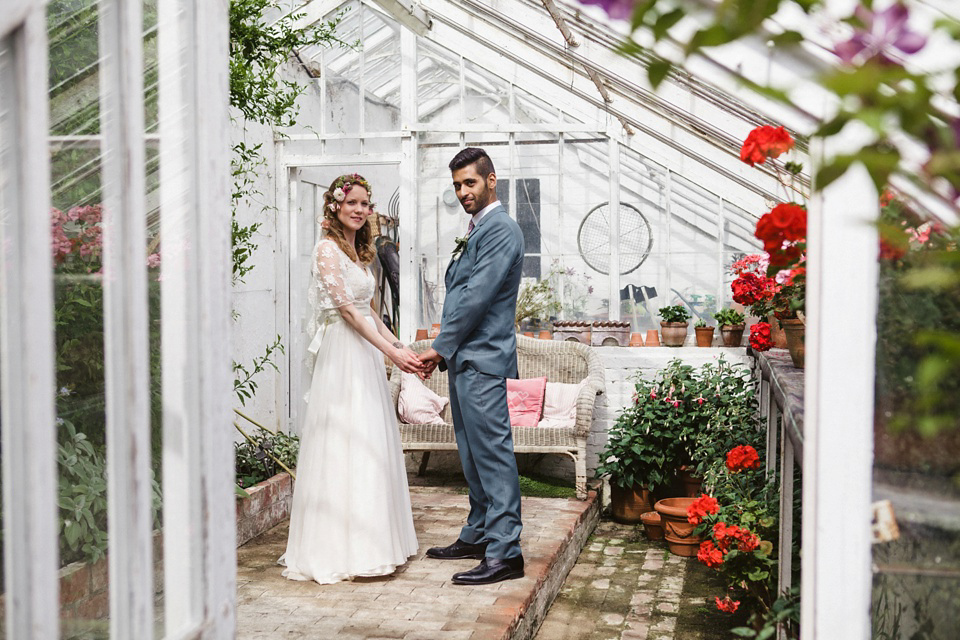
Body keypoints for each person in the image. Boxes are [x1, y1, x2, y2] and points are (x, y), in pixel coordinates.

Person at [279, 173, 421, 584]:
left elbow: (371, 310)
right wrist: (389, 351)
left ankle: (377, 542)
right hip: (343, 354)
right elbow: (346, 311)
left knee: (372, 439)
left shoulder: (359, 252)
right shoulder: (326, 250)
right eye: (352, 203)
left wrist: (400, 346)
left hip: (365, 353)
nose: (360, 210)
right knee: (345, 440)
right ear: (335, 206)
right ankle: (341, 549)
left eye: (365, 204)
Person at [418, 148, 526, 586]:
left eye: (470, 183)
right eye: (458, 185)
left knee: (493, 457)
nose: (463, 191)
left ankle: (506, 552)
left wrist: (439, 347)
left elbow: (476, 298)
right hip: (466, 361)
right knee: (471, 455)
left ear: (491, 180)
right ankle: (479, 534)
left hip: (482, 360)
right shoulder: (477, 228)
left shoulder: (501, 229)